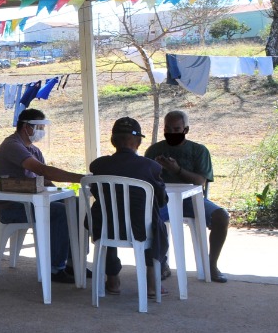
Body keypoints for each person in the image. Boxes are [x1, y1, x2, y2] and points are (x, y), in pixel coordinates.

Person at [0, 108, 88, 284]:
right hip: (12, 207)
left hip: (31, 204)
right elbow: (43, 171)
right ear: (27, 127)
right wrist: (80, 178)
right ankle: (55, 268)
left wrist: (63, 195)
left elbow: (44, 179)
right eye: (40, 128)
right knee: (60, 212)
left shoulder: (33, 150)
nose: (42, 132)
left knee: (78, 205)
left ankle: (75, 262)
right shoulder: (13, 146)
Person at [145, 109, 230, 283]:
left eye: (176, 129)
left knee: (221, 216)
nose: (171, 133)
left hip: (193, 200)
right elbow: (146, 179)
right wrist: (157, 170)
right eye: (168, 129)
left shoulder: (199, 151)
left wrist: (177, 170)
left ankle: (211, 265)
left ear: (186, 130)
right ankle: (161, 264)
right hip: (163, 201)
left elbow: (200, 181)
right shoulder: (154, 150)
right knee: (150, 219)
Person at [89, 116, 169, 297]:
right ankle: (151, 282)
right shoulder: (151, 167)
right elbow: (162, 200)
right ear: (139, 142)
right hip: (140, 229)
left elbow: (95, 191)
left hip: (105, 228)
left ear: (113, 141)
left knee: (107, 218)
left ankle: (113, 279)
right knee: (156, 224)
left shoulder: (99, 165)